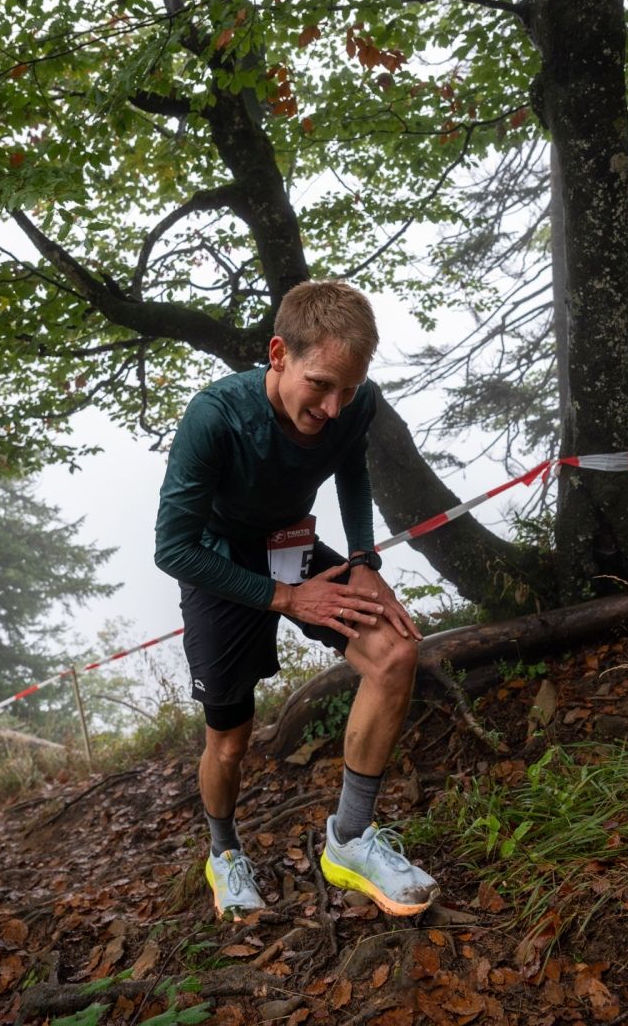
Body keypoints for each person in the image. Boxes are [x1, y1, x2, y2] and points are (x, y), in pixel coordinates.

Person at [155, 280, 438, 920]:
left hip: (291, 545)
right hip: (218, 562)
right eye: (321, 385)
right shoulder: (215, 417)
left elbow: (351, 466)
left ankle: (351, 841)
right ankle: (224, 852)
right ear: (279, 354)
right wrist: (286, 598)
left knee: (394, 653)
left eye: (349, 389)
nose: (334, 407)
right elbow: (172, 549)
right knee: (230, 740)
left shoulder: (355, 402)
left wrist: (362, 560)